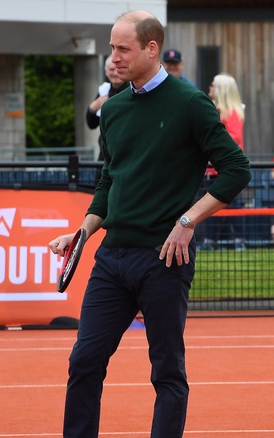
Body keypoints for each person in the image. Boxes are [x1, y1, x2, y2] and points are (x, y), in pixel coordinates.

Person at [48, 10, 251, 437]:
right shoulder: (114, 110)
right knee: (83, 362)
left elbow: (236, 169)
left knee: (167, 372)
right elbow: (110, 179)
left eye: (123, 48)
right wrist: (83, 230)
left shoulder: (191, 103)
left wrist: (188, 220)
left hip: (164, 259)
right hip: (110, 260)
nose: (114, 57)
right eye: (111, 48)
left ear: (151, 48)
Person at [198, 72, 247, 250]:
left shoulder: (231, 113)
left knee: (229, 208)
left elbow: (234, 139)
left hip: (222, 169)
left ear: (222, 90)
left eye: (213, 85)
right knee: (216, 207)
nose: (210, 87)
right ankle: (217, 240)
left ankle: (235, 240)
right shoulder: (223, 111)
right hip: (214, 169)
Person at [85, 55, 128, 160]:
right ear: (106, 73)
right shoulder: (104, 91)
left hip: (125, 151)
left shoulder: (133, 89)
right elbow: (92, 124)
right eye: (111, 69)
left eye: (117, 69)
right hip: (105, 151)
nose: (115, 73)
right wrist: (92, 109)